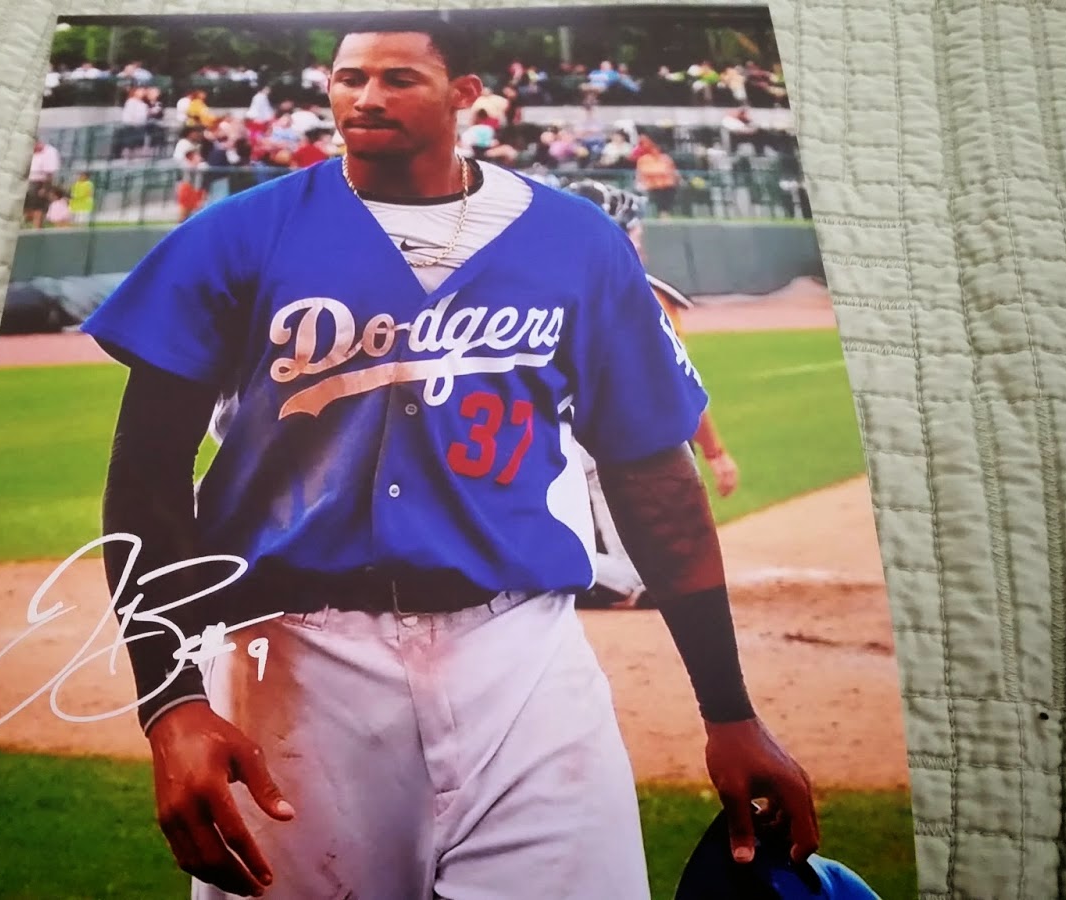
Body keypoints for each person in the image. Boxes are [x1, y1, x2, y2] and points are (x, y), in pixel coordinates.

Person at [81, 15, 816, 900]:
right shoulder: (235, 235)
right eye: (350, 77)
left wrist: (729, 711)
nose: (365, 96)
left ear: (466, 93)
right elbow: (147, 481)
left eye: (398, 78)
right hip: (295, 658)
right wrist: (170, 701)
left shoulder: (576, 241)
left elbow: (652, 474)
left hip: (520, 653)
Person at [560, 178, 741, 610]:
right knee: (646, 577)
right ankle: (541, 567)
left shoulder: (534, 284)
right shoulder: (640, 291)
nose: (639, 238)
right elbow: (675, 383)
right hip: (610, 444)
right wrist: (716, 452)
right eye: (633, 228)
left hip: (545, 442)